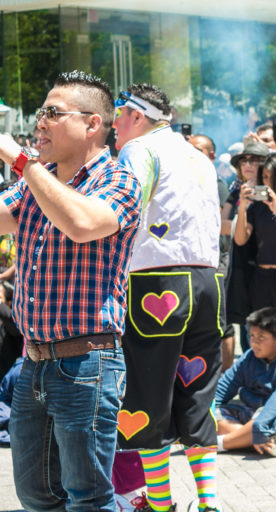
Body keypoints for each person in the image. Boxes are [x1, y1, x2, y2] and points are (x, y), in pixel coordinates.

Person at [0, 70, 142, 511]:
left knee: (88, 499)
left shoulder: (119, 181)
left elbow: (81, 224)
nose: (40, 122)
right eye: (41, 112)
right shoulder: (35, 185)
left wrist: (21, 161)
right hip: (34, 363)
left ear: (93, 124)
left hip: (87, 363)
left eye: (53, 113)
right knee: (37, 496)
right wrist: (29, 172)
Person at [112, 83, 223, 512]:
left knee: (146, 397)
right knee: (198, 394)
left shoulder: (139, 150)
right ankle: (209, 503)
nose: (114, 125)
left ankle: (160, 505)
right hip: (207, 282)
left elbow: (125, 208)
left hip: (156, 283)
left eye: (119, 114)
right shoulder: (198, 154)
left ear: (136, 116)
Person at [215, 307, 276, 455]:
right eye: (252, 336)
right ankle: (250, 442)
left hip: (275, 417)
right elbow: (221, 390)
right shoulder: (249, 357)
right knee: (214, 414)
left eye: (261, 338)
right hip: (252, 418)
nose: (254, 343)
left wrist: (259, 427)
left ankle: (220, 443)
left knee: (268, 416)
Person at [190, 133, 237, 370]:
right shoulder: (187, 180)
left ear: (212, 155)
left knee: (221, 319)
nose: (191, 154)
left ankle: (224, 378)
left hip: (217, 258)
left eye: (198, 150)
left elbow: (219, 223)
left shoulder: (215, 183)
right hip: (197, 258)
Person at [223, 138, 270, 352]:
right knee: (246, 327)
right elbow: (219, 224)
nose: (249, 165)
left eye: (255, 160)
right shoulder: (236, 190)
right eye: (244, 161)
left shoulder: (273, 190)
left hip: (265, 265)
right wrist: (244, 209)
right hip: (240, 264)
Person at [233, 151, 276, 316]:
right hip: (260, 278)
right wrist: (243, 205)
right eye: (264, 177)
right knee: (261, 331)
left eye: (272, 177)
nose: (268, 183)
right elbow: (240, 239)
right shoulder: (257, 207)